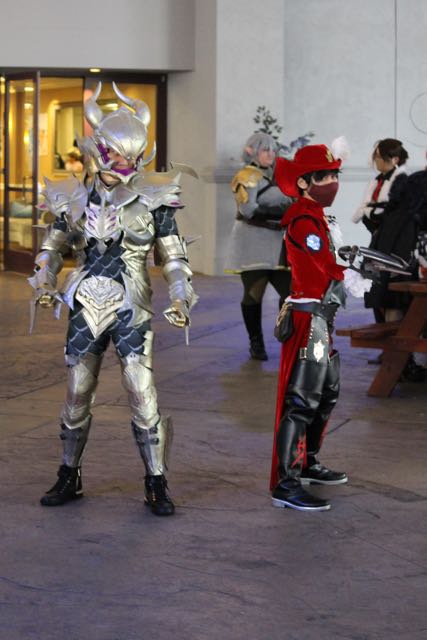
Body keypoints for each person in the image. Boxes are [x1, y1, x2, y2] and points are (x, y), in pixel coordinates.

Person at [28, 82, 197, 516]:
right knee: (76, 392)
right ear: (99, 151)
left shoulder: (155, 197)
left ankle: (156, 480)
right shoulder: (71, 196)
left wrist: (181, 295)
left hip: (132, 307)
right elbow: (52, 247)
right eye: (119, 156)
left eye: (133, 157)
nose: (127, 165)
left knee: (142, 393)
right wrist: (44, 277)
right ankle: (69, 474)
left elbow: (173, 255)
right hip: (84, 305)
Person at [269, 144, 348, 512]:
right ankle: (286, 484)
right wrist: (350, 273)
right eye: (323, 176)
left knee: (326, 395)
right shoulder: (302, 219)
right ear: (303, 182)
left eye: (334, 175)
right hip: (309, 317)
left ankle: (308, 463)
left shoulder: (318, 217)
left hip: (322, 317)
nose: (331, 182)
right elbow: (321, 267)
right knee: (301, 402)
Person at [224, 133, 293, 360]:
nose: (270, 154)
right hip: (253, 242)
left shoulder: (279, 174)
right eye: (265, 150)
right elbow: (247, 210)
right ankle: (256, 342)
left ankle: (286, 334)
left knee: (291, 293)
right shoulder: (246, 176)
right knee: (254, 292)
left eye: (272, 149)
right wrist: (281, 211)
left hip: (279, 242)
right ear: (252, 151)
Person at [352, 138, 408, 328]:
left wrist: (374, 215)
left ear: (394, 159)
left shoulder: (402, 181)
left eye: (379, 156)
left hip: (395, 248)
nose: (375, 160)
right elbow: (370, 213)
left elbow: (396, 216)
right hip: (379, 243)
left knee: (392, 297)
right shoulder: (377, 181)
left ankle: (395, 342)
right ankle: (386, 339)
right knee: (377, 294)